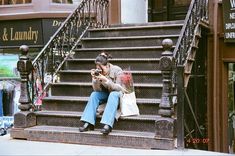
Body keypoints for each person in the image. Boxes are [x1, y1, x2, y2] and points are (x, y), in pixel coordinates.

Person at [79, 52, 125, 135]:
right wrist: (95, 79)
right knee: (94, 94)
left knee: (113, 94)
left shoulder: (117, 70)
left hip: (117, 95)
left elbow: (120, 88)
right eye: (98, 68)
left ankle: (107, 124)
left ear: (107, 66)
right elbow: (97, 90)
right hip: (106, 94)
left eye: (101, 69)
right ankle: (88, 122)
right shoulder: (100, 73)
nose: (100, 71)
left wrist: (106, 80)